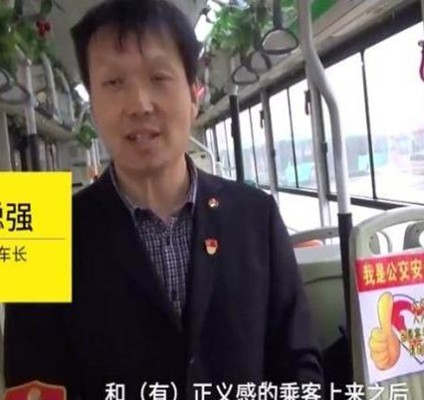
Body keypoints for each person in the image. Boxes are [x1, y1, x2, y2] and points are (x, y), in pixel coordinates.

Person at [3, 0, 323, 399]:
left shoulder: (257, 215)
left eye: (158, 77)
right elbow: (32, 385)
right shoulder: (36, 230)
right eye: (113, 83)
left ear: (193, 94)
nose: (139, 104)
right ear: (93, 107)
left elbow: (297, 366)